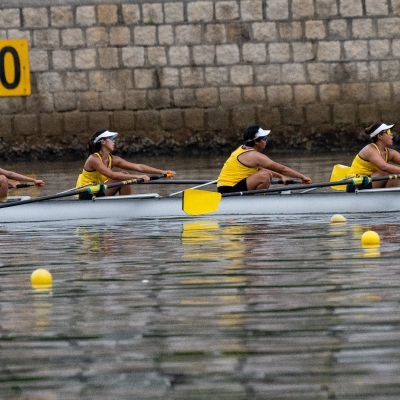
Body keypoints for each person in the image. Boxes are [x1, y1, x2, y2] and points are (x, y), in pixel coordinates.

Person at [76, 130, 176, 200]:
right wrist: (138, 177)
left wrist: (162, 172)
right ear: (103, 142)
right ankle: (126, 204)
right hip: (86, 193)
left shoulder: (113, 159)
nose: (114, 141)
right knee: (123, 176)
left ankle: (126, 203)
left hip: (99, 191)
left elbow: (138, 167)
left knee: (124, 175)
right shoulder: (93, 159)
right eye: (111, 138)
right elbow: (112, 175)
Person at [217, 125, 312, 193]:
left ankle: (257, 198)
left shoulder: (242, 149)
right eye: (264, 138)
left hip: (227, 187)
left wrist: (281, 177)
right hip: (228, 190)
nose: (266, 140)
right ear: (256, 141)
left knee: (266, 173)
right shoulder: (253, 155)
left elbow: (261, 169)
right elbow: (282, 169)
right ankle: (259, 201)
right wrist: (302, 177)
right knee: (265, 175)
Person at [347, 123, 400, 192]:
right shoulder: (369, 149)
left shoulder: (390, 153)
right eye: (388, 132)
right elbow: (384, 167)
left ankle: (390, 197)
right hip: (355, 183)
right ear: (380, 136)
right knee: (385, 172)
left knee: (396, 177)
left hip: (372, 182)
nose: (391, 135)